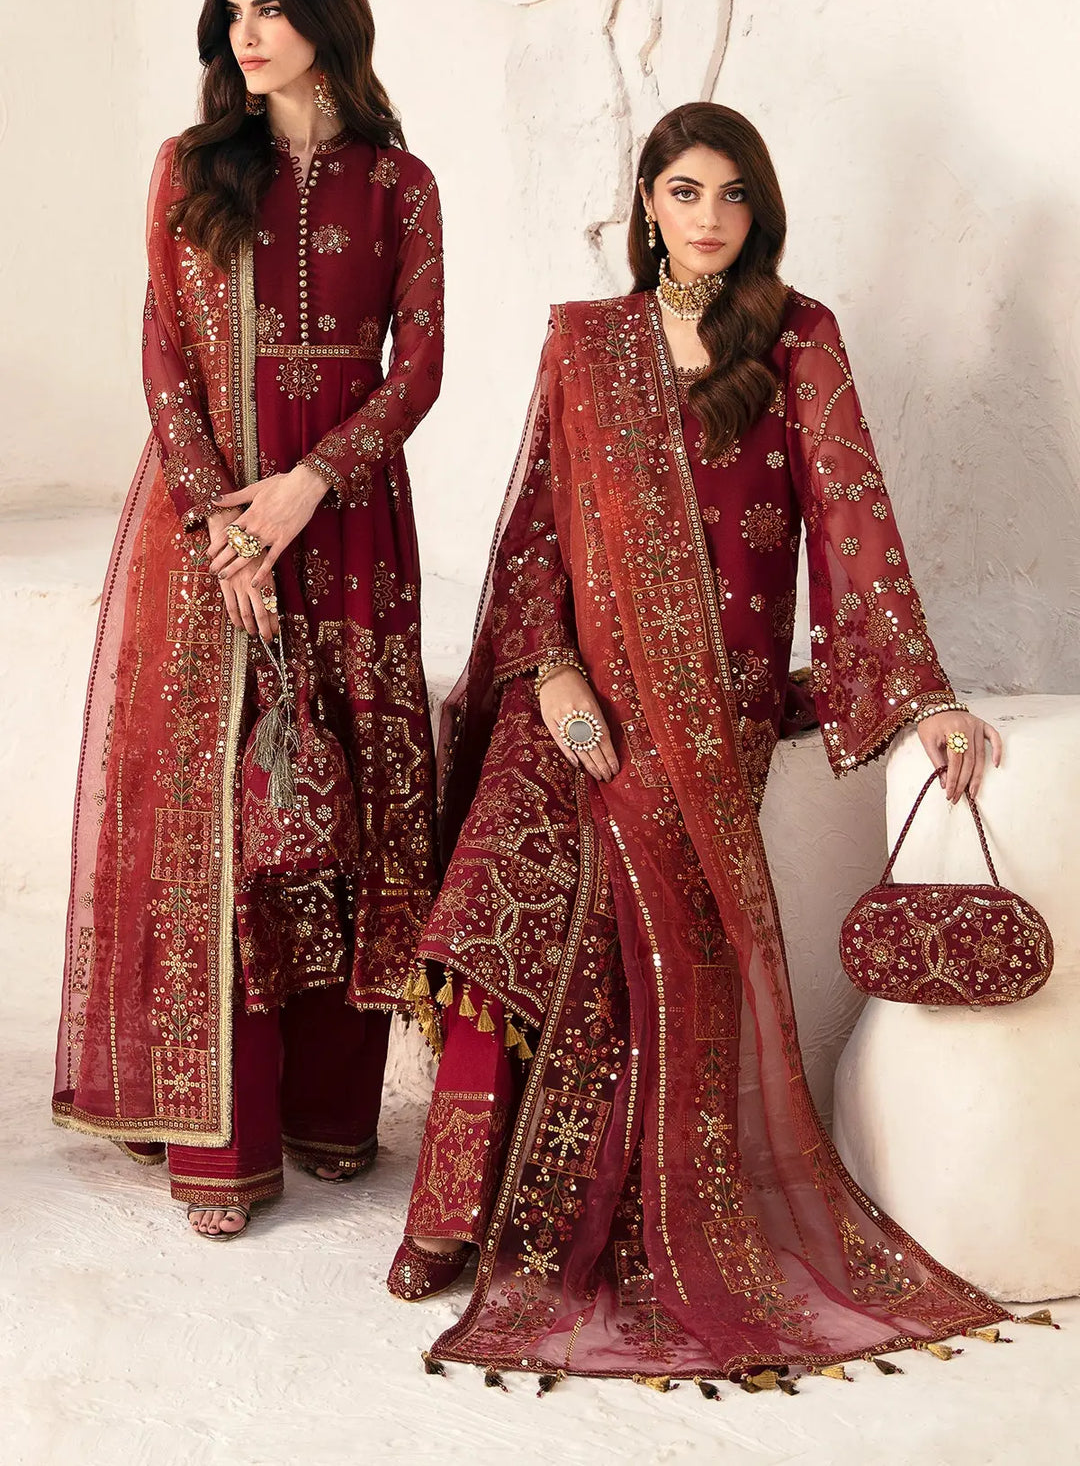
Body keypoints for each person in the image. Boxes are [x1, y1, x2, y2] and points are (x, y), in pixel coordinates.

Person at [386, 103, 1007, 1380]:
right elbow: (539, 536)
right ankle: (456, 1204)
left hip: (713, 698)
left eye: (731, 194)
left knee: (631, 912)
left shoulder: (798, 337)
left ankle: (560, 1217)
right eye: (684, 191)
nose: (709, 217)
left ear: (758, 208)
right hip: (580, 685)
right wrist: (553, 678)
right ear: (647, 203)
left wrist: (920, 691)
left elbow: (852, 516)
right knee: (503, 859)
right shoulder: (589, 343)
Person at [53, 0, 444, 1240]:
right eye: (234, 11)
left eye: (271, 6)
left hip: (350, 527)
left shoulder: (401, 186)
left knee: (339, 815)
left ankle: (331, 1111)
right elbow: (165, 353)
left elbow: (418, 371)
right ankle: (222, 1145)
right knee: (226, 824)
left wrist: (310, 485)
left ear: (328, 15)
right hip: (211, 531)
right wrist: (227, 526)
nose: (249, 32)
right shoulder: (192, 167)